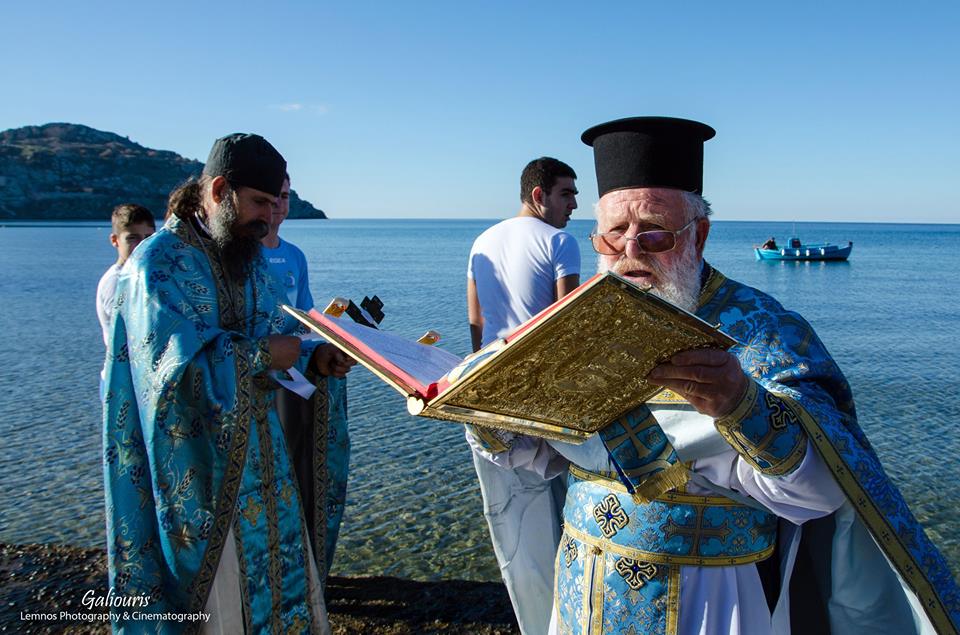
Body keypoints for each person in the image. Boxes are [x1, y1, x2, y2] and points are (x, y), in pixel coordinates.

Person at [472, 117, 960, 634]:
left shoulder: (769, 333)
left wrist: (739, 404)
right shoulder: (573, 330)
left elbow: (820, 496)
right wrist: (488, 414)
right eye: (614, 233)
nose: (632, 249)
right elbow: (545, 455)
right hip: (581, 587)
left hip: (711, 599)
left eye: (654, 230)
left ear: (698, 234)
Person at [102, 133, 355, 633]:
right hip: (198, 473)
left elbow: (278, 334)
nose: (270, 216)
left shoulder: (247, 255)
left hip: (265, 463)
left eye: (276, 201)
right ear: (218, 191)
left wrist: (316, 360)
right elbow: (165, 376)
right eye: (260, 201)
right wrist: (262, 356)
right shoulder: (157, 263)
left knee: (281, 590)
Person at [465, 157, 581, 634]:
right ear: (539, 195)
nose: (575, 205)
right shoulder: (560, 241)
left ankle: (532, 621)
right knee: (566, 523)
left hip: (491, 397)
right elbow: (568, 328)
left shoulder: (481, 242)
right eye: (566, 194)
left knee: (512, 523)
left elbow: (476, 329)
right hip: (545, 398)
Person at [261, 173, 350, 577]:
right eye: (268, 197)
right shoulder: (237, 256)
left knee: (305, 476)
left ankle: (308, 571)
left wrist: (323, 353)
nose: (277, 205)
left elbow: (306, 322)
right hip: (260, 383)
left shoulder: (295, 256)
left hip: (297, 381)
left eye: (283, 196)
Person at [95, 203, 155, 346]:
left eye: (148, 237)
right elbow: (133, 333)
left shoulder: (144, 276)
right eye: (133, 238)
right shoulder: (117, 281)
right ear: (115, 240)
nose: (142, 244)